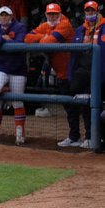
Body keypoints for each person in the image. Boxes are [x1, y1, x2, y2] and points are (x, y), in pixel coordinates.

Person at [25, 4, 77, 147]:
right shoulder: (46, 25)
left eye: (54, 14)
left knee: (81, 106)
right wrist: (43, 36)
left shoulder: (64, 24)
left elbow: (49, 43)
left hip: (73, 72)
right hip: (61, 73)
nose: (52, 16)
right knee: (69, 107)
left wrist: (43, 38)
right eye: (49, 14)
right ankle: (75, 137)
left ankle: (88, 138)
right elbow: (27, 38)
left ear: (60, 14)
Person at [0, 6, 28, 145]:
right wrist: (2, 39)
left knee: (17, 102)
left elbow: (19, 44)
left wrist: (3, 42)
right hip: (0, 66)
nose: (4, 17)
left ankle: (20, 135)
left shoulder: (19, 26)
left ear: (11, 16)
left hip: (18, 68)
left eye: (6, 15)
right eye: (1, 15)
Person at [67, 1, 105, 149]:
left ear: (98, 11)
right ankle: (88, 137)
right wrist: (71, 75)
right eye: (87, 11)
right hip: (84, 68)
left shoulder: (104, 26)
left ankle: (96, 138)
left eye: (92, 11)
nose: (90, 13)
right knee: (82, 98)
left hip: (101, 71)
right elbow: (74, 56)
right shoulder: (80, 30)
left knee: (99, 106)